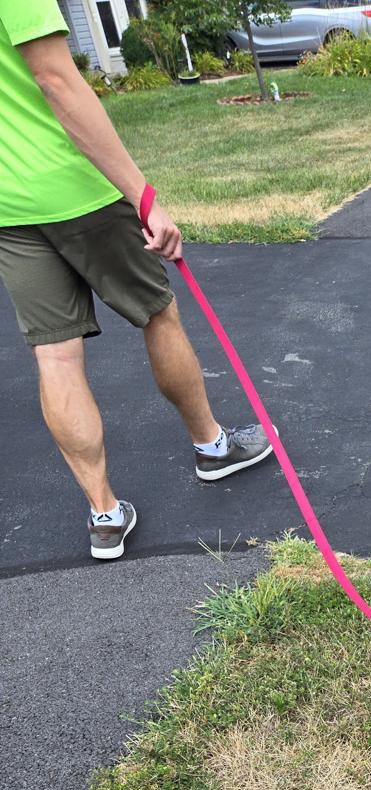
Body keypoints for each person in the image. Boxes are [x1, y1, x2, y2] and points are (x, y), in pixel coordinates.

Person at [0, 0, 273, 560]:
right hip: (77, 187)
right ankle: (211, 448)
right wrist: (142, 196)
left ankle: (105, 514)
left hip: (9, 207)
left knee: (54, 356)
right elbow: (55, 78)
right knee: (158, 313)